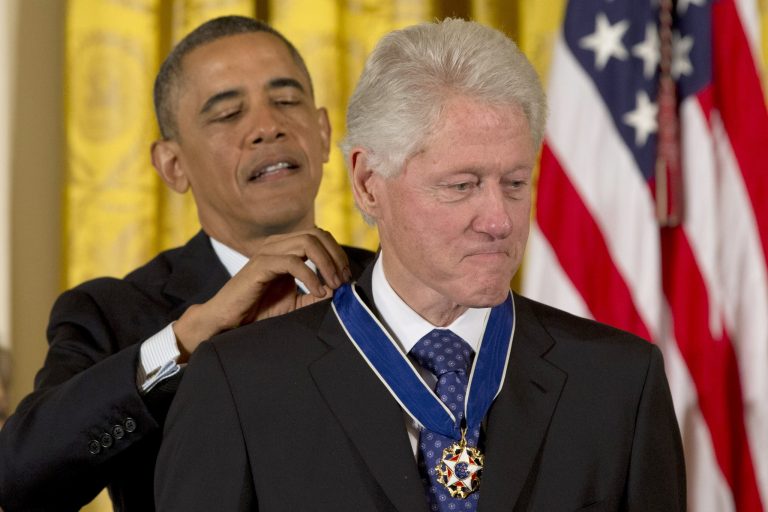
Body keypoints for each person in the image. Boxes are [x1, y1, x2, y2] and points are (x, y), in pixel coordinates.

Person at [155, 18, 686, 512]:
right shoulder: (239, 382)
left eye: (515, 183)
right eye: (462, 185)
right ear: (368, 184)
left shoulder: (620, 382)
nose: (499, 221)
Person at [0, 16, 373, 512]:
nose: (268, 127)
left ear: (324, 133)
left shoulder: (393, 284)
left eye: (286, 100)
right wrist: (184, 340)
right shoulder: (113, 313)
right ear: (173, 165)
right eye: (228, 114)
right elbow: (21, 477)